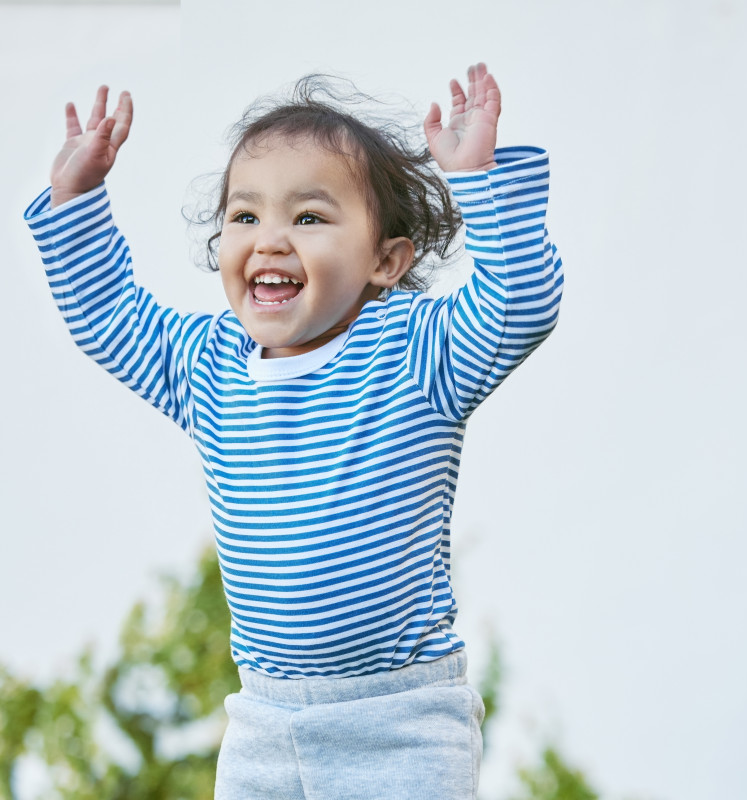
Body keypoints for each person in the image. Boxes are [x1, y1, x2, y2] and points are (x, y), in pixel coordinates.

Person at [24, 63, 562, 799]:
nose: (270, 238)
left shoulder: (416, 352)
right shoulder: (207, 364)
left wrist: (478, 179)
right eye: (245, 217)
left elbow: (519, 304)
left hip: (399, 721)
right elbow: (108, 316)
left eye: (308, 217)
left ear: (385, 259)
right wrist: (75, 198)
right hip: (265, 725)